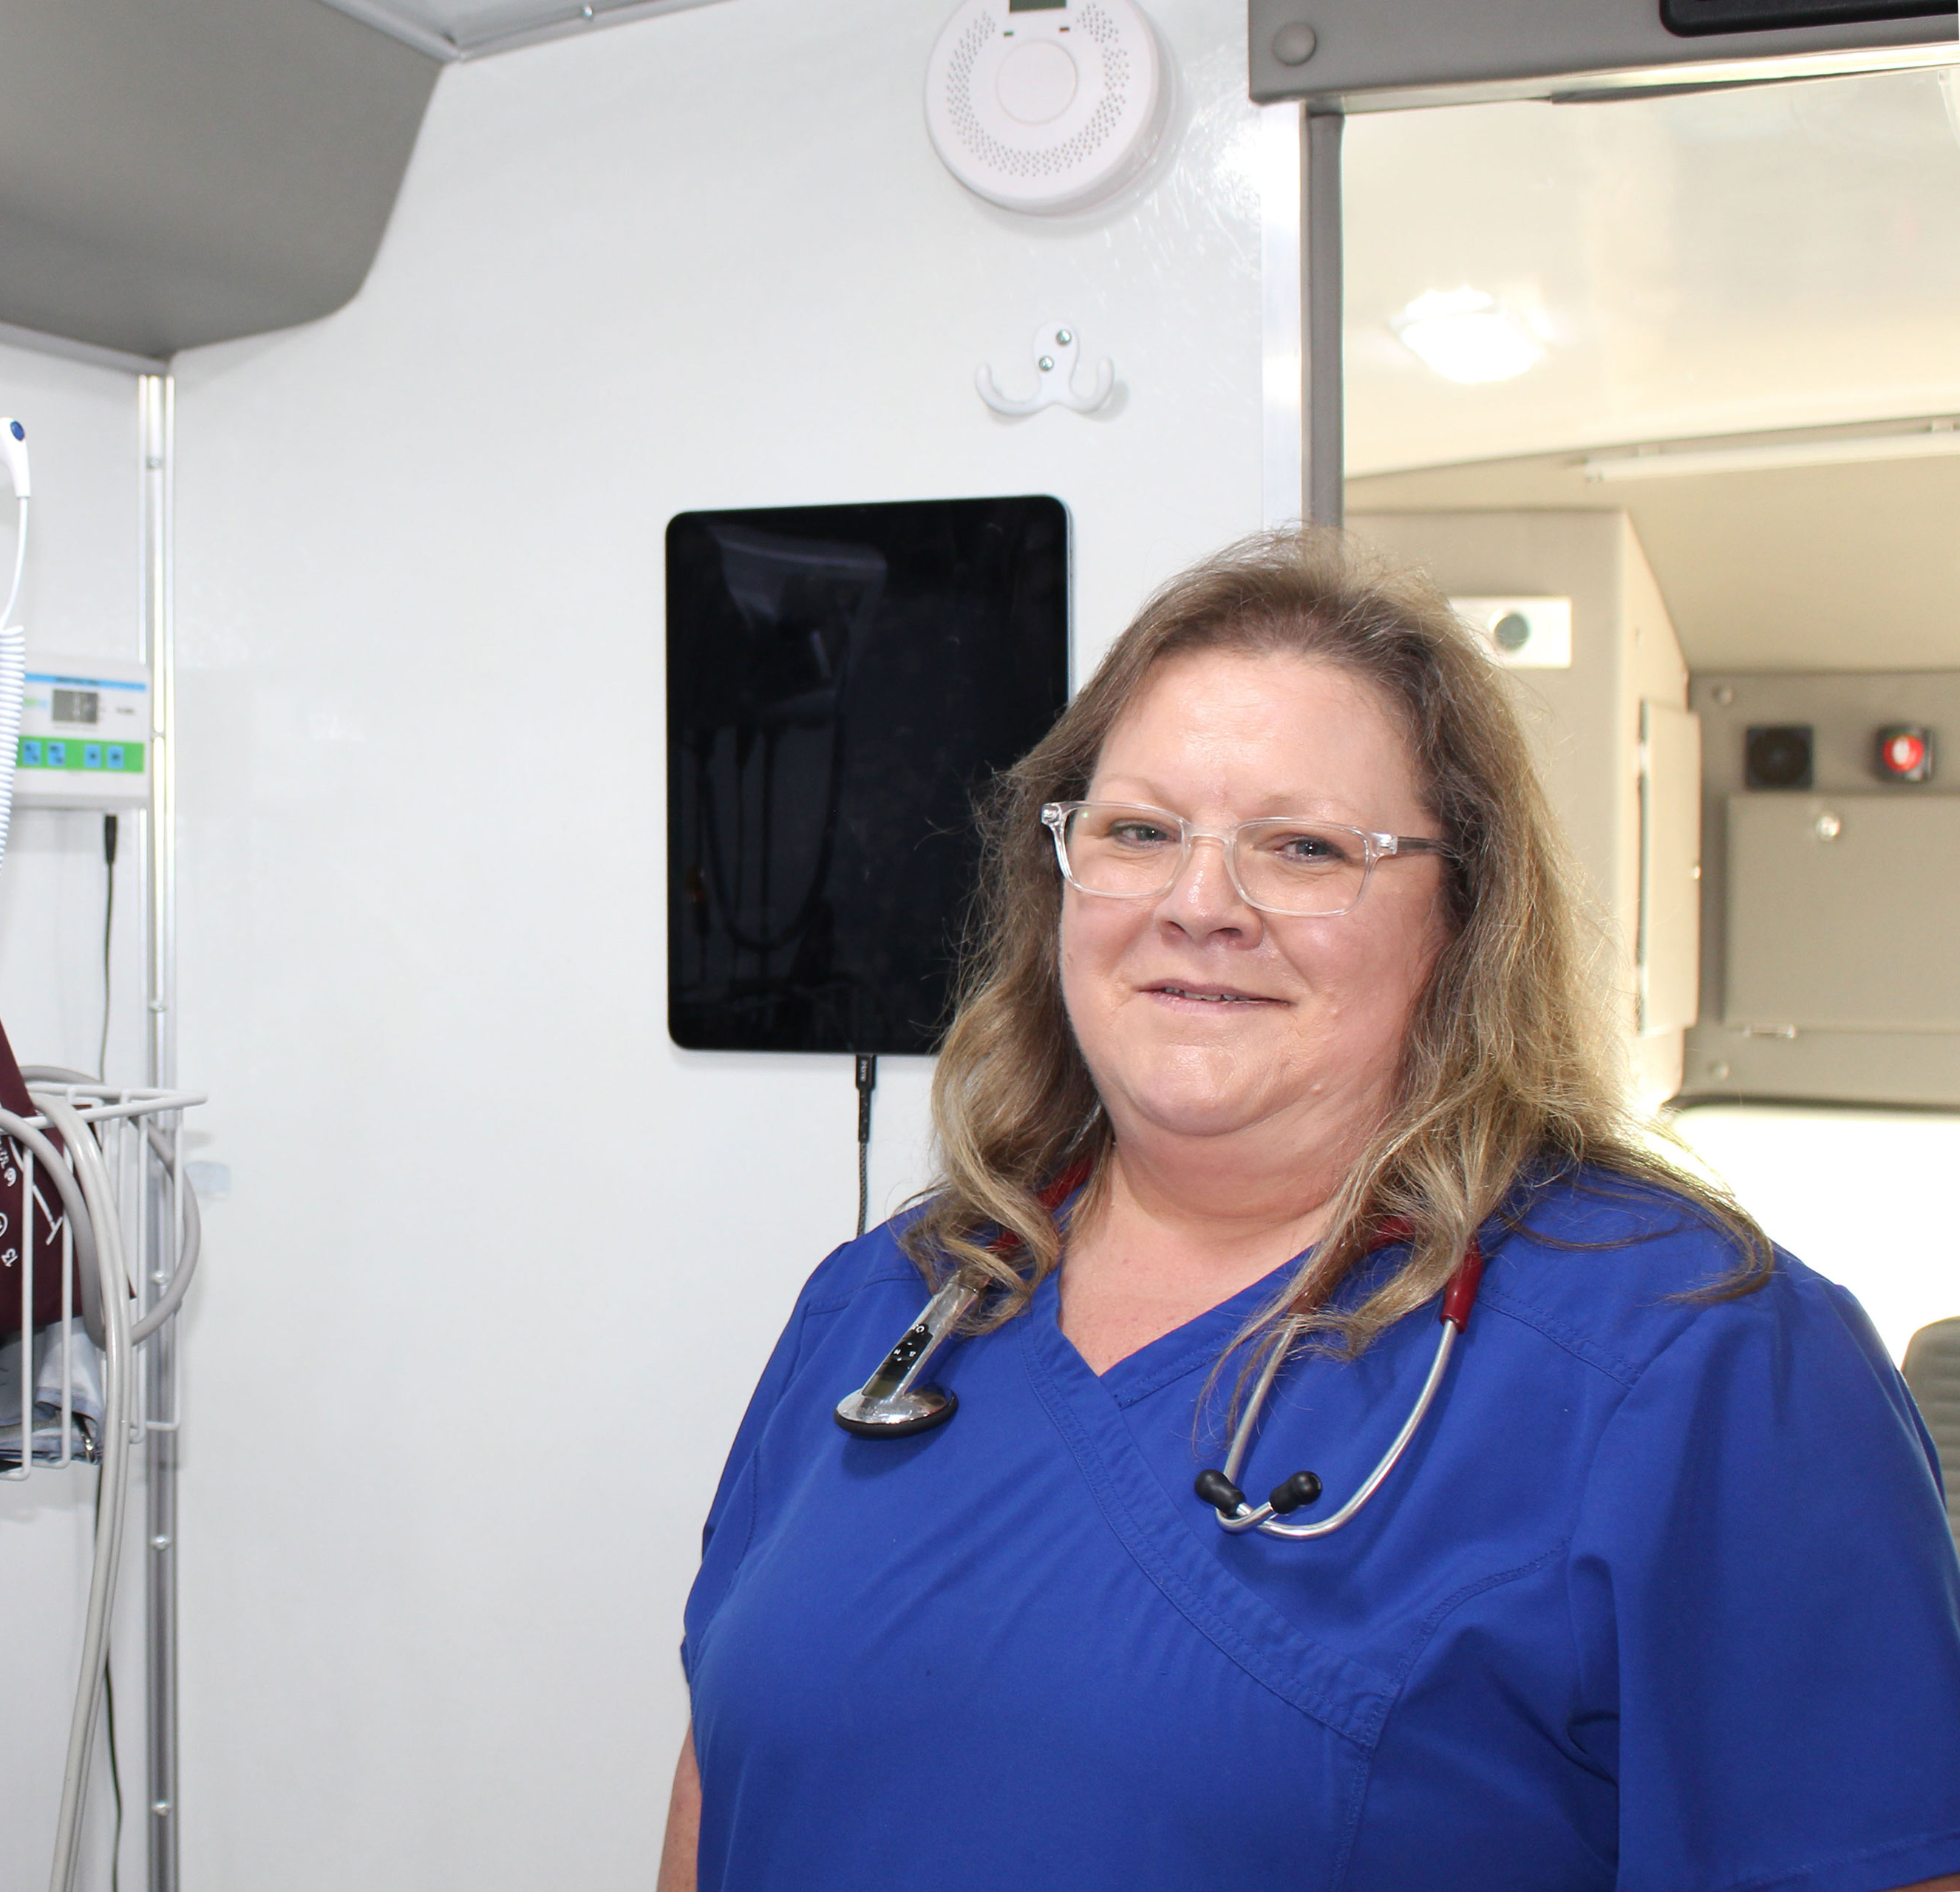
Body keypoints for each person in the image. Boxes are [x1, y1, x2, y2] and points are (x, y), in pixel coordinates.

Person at [659, 530, 1960, 1892]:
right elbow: (718, 1791)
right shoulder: (889, 1308)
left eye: (1303, 848)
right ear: (1061, 878)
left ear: (1460, 916)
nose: (1199, 905)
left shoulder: (1707, 1363)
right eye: (1139, 832)